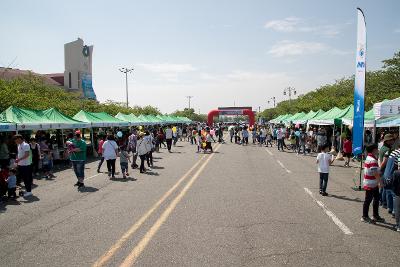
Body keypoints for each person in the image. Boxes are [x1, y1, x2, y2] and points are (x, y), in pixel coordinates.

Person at [362, 144, 385, 224]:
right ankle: (365, 216)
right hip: (371, 183)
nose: (378, 150)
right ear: (373, 150)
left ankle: (375, 215)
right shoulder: (372, 160)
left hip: (371, 182)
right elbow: (375, 173)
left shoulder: (370, 157)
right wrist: (380, 182)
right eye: (377, 149)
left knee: (376, 199)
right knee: (368, 200)